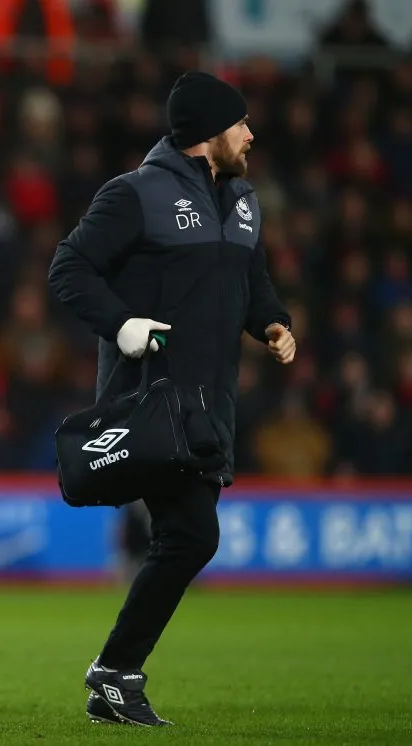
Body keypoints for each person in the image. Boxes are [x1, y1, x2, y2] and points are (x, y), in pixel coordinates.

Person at [48, 71, 296, 726]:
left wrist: (271, 322)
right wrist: (123, 325)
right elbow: (68, 268)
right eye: (239, 123)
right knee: (192, 534)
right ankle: (115, 674)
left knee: (188, 538)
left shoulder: (243, 202)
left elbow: (252, 280)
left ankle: (115, 676)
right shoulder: (135, 195)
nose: (250, 133)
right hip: (151, 404)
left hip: (210, 408)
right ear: (208, 135)